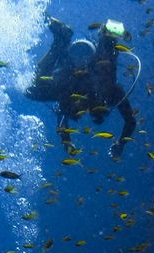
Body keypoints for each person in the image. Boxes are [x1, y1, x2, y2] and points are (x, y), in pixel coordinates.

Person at [25, 17, 138, 159]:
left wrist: (66, 142)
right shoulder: (111, 93)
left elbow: (62, 119)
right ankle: (105, 39)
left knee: (32, 91)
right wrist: (120, 144)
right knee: (31, 91)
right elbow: (130, 121)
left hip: (74, 65)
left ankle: (62, 42)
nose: (80, 109)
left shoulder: (71, 96)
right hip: (85, 62)